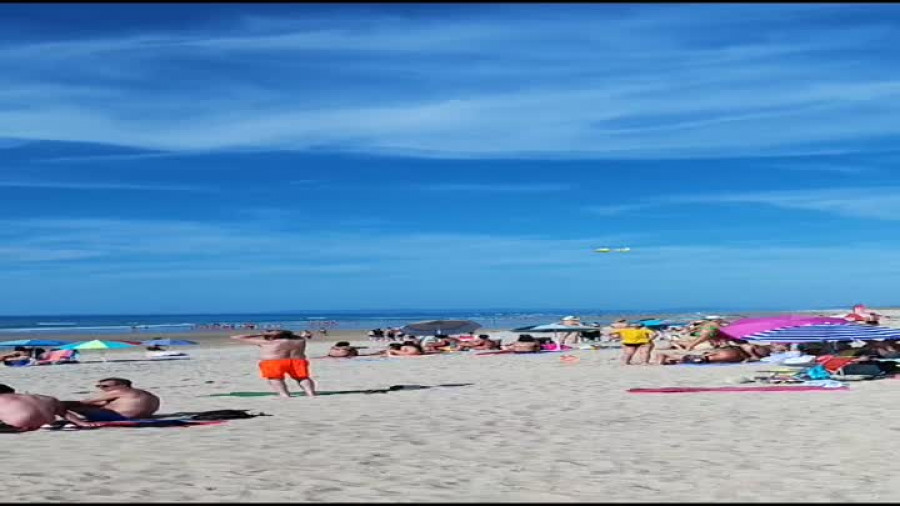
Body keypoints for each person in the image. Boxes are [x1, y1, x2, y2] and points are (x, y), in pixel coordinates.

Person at [231, 330, 317, 398]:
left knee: (275, 379)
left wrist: (261, 334)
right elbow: (300, 336)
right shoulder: (300, 340)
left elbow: (236, 337)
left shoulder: (268, 342)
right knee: (302, 378)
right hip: (297, 361)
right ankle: (311, 394)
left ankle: (285, 395)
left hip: (274, 362)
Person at [0, 384, 94, 432]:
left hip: (20, 425)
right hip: (48, 422)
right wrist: (81, 423)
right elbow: (65, 413)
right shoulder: (47, 398)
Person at [63, 378, 161, 421]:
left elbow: (85, 402)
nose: (102, 389)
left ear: (122, 385)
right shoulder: (147, 394)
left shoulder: (120, 391)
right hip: (144, 416)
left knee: (64, 405)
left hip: (120, 417)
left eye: (105, 386)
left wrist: (60, 403)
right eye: (99, 386)